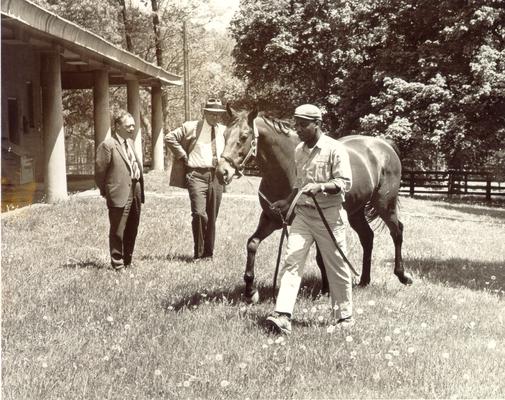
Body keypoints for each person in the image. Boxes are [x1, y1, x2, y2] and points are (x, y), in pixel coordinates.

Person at [266, 104, 353, 335]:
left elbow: (344, 183)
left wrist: (322, 186)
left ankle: (344, 317)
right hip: (303, 215)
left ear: (318, 124)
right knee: (292, 260)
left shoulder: (335, 149)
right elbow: (299, 184)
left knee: (337, 268)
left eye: (303, 124)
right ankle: (283, 315)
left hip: (329, 216)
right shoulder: (299, 150)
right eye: (296, 124)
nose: (299, 129)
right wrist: (287, 201)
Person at [165, 98, 227, 260]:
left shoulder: (224, 131)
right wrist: (182, 155)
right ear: (205, 112)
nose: (215, 118)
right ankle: (198, 254)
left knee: (212, 216)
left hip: (217, 177)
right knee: (199, 213)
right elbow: (169, 137)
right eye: (212, 114)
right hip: (196, 175)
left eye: (219, 115)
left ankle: (208, 254)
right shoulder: (191, 127)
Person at [95, 109, 145, 271]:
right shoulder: (107, 145)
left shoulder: (130, 143)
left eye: (133, 126)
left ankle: (128, 260)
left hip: (135, 188)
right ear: (117, 126)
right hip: (119, 192)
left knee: (133, 226)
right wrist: (107, 190)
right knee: (118, 229)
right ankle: (117, 263)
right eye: (128, 126)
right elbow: (100, 172)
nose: (132, 129)